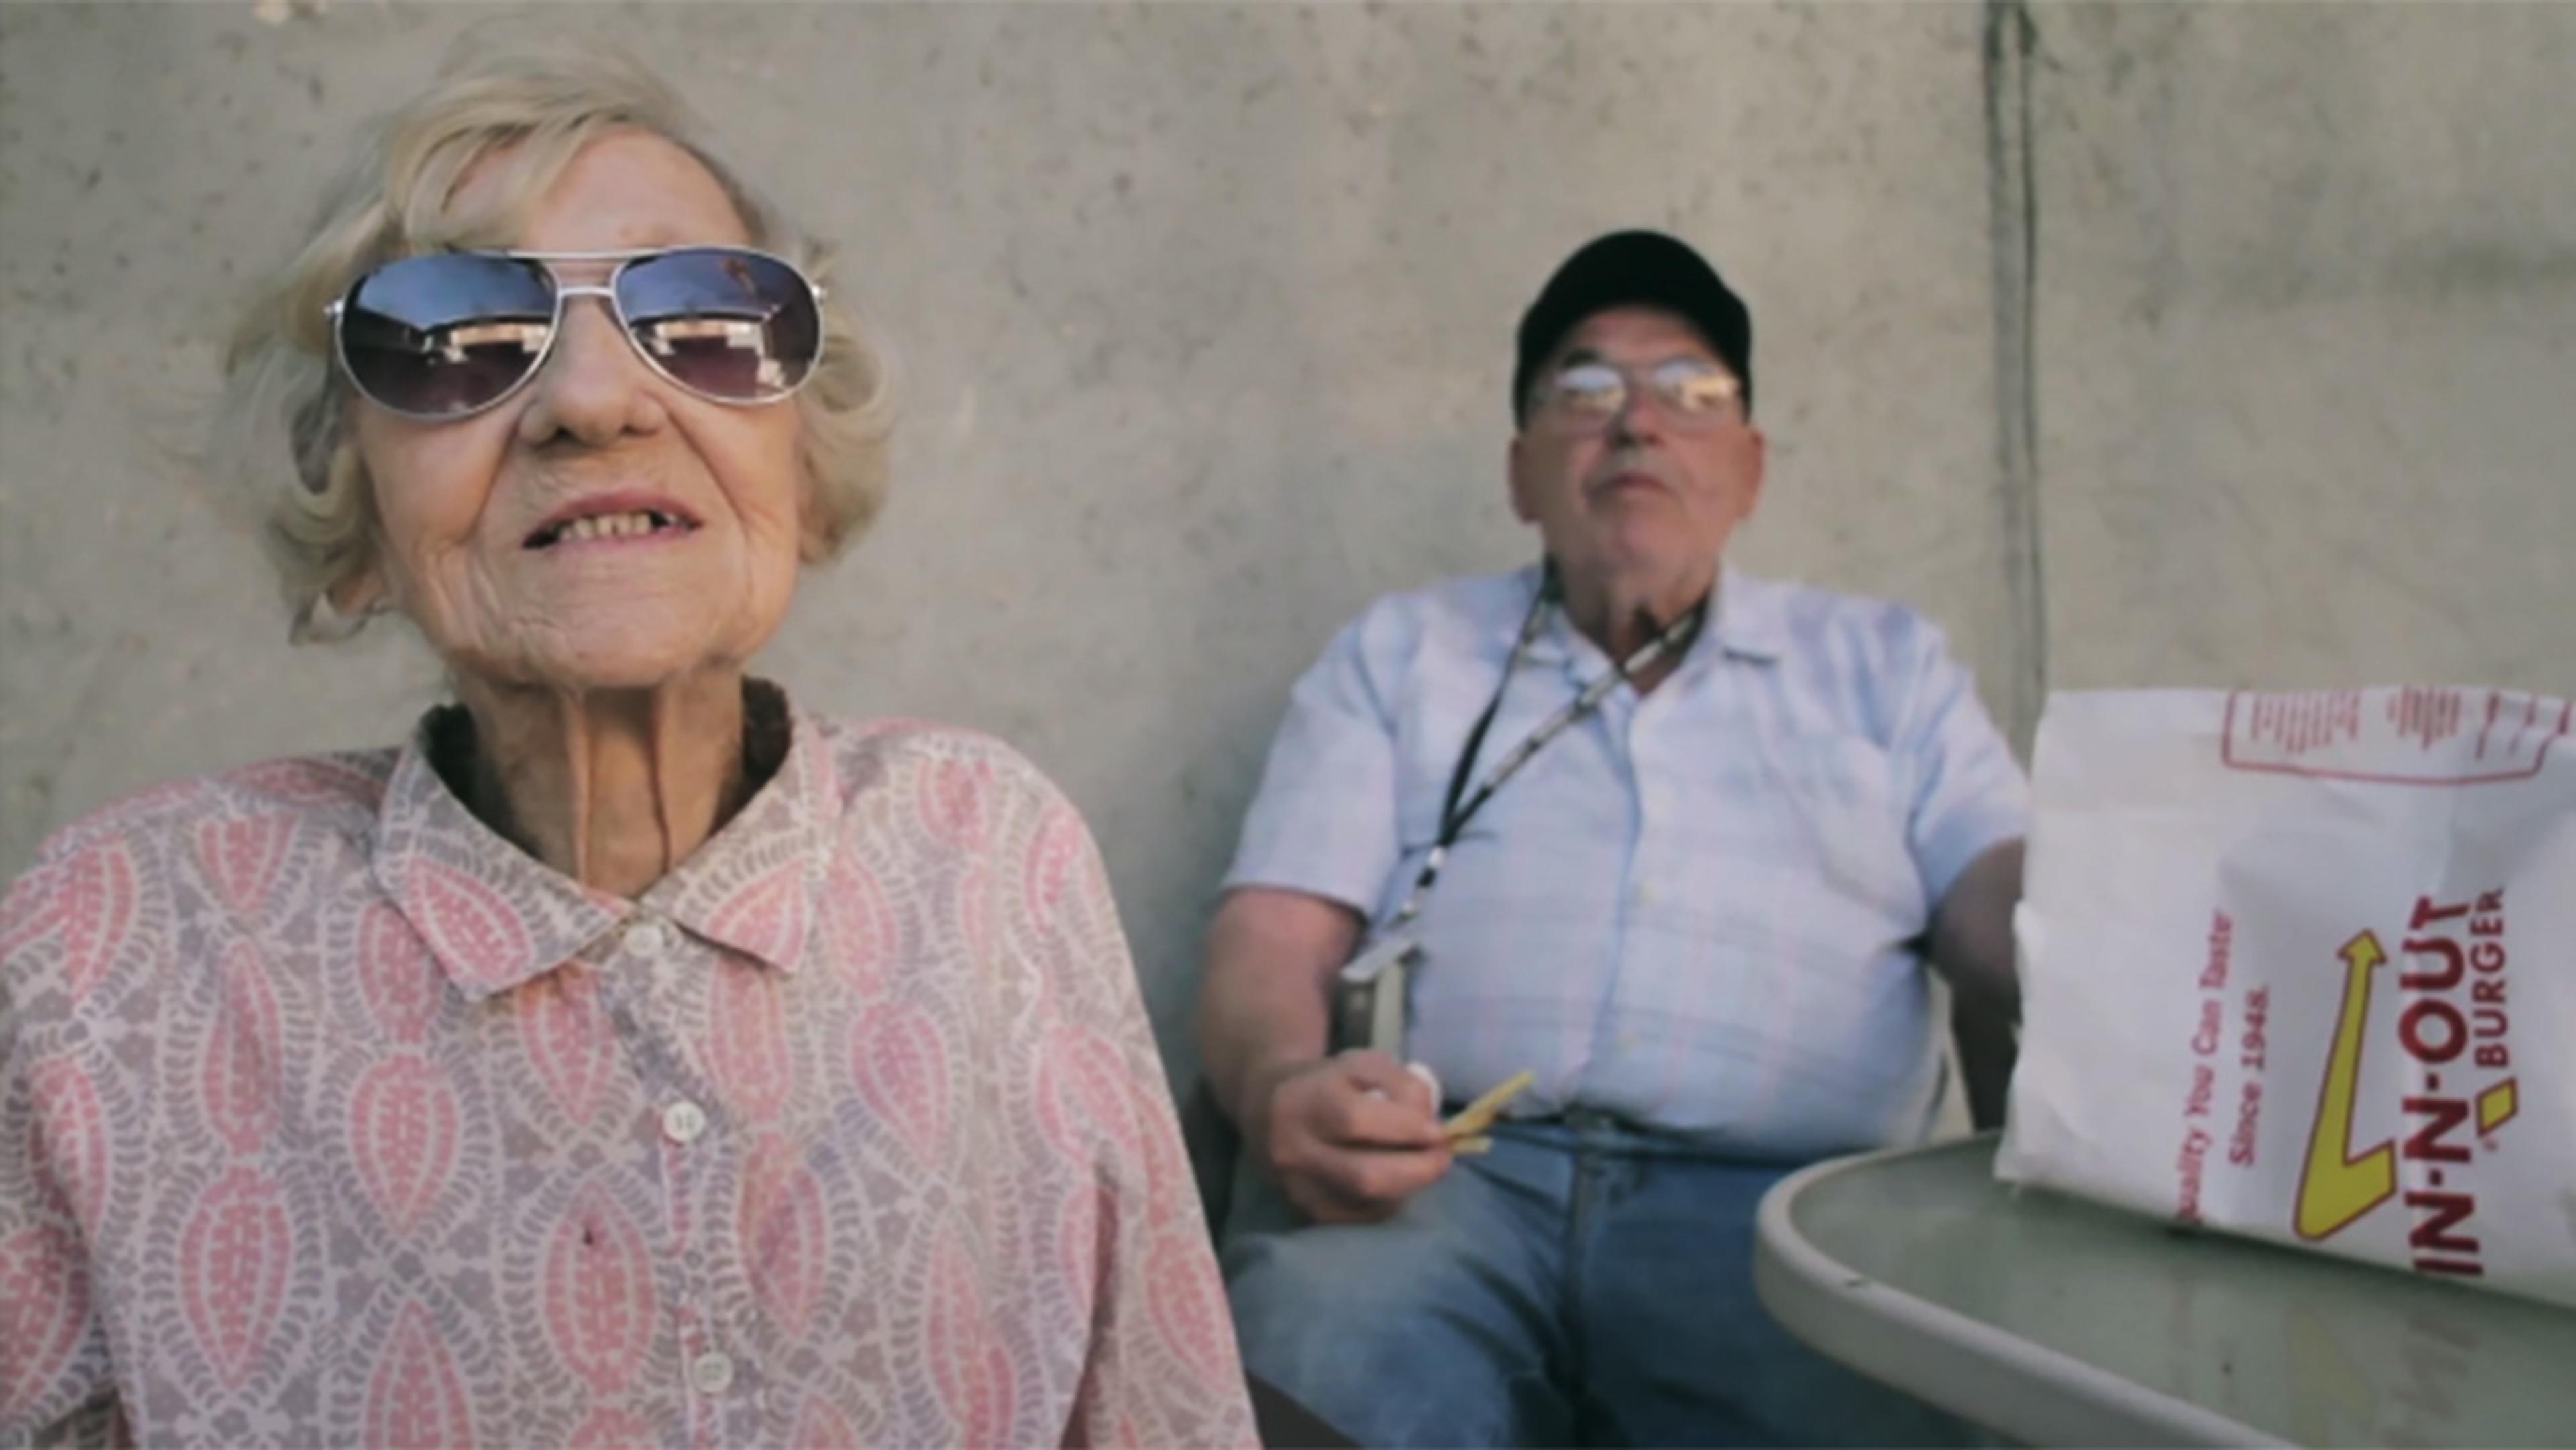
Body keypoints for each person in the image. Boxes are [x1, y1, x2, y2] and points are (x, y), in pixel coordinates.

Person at [0, 40, 1254, 1449]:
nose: (594, 401)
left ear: (804, 471)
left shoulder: (986, 855)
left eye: (705, 320)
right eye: (454, 335)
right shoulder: (121, 943)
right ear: (351, 513)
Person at [1196, 230, 2027, 1447]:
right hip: (1448, 1190)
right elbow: (1272, 930)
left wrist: (2106, 932)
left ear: (1747, 468)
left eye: (1690, 391)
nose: (1636, 422)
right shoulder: (1405, 652)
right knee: (1309, 1355)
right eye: (1584, 391)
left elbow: (2000, 894)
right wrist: (1278, 1082)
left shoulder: (1885, 669)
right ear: (1522, 473)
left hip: (1792, 1225)